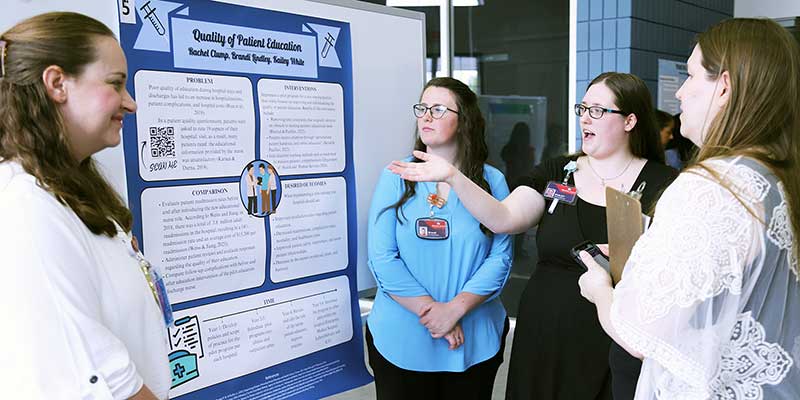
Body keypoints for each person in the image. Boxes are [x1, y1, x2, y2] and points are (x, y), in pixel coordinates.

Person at [389, 72, 678, 399]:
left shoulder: (663, 183)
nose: (585, 118)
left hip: (613, 332)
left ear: (629, 121)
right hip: (544, 331)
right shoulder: (558, 172)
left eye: (597, 110)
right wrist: (454, 178)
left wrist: (636, 255)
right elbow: (504, 218)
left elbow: (678, 265)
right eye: (582, 108)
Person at [578, 18, 800, 398]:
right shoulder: (772, 176)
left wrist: (600, 289)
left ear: (725, 87)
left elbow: (640, 334)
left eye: (692, 75)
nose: (679, 92)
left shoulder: (713, 186)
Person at [0, 12, 170, 399]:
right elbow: (103, 385)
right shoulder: (25, 209)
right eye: (115, 84)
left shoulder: (74, 191)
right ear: (57, 83)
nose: (131, 104)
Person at [367, 77, 512, 400]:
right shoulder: (396, 176)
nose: (426, 116)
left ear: (464, 122)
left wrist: (455, 310)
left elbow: (501, 257)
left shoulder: (492, 181)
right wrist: (436, 313)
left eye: (438, 109)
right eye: (422, 108)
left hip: (475, 336)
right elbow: (381, 259)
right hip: (402, 337)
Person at [501, 122, 536, 257]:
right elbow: (530, 167)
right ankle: (518, 249)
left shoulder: (508, 148)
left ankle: (509, 248)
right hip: (522, 185)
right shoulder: (529, 150)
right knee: (521, 218)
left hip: (509, 183)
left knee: (506, 218)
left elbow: (504, 159)